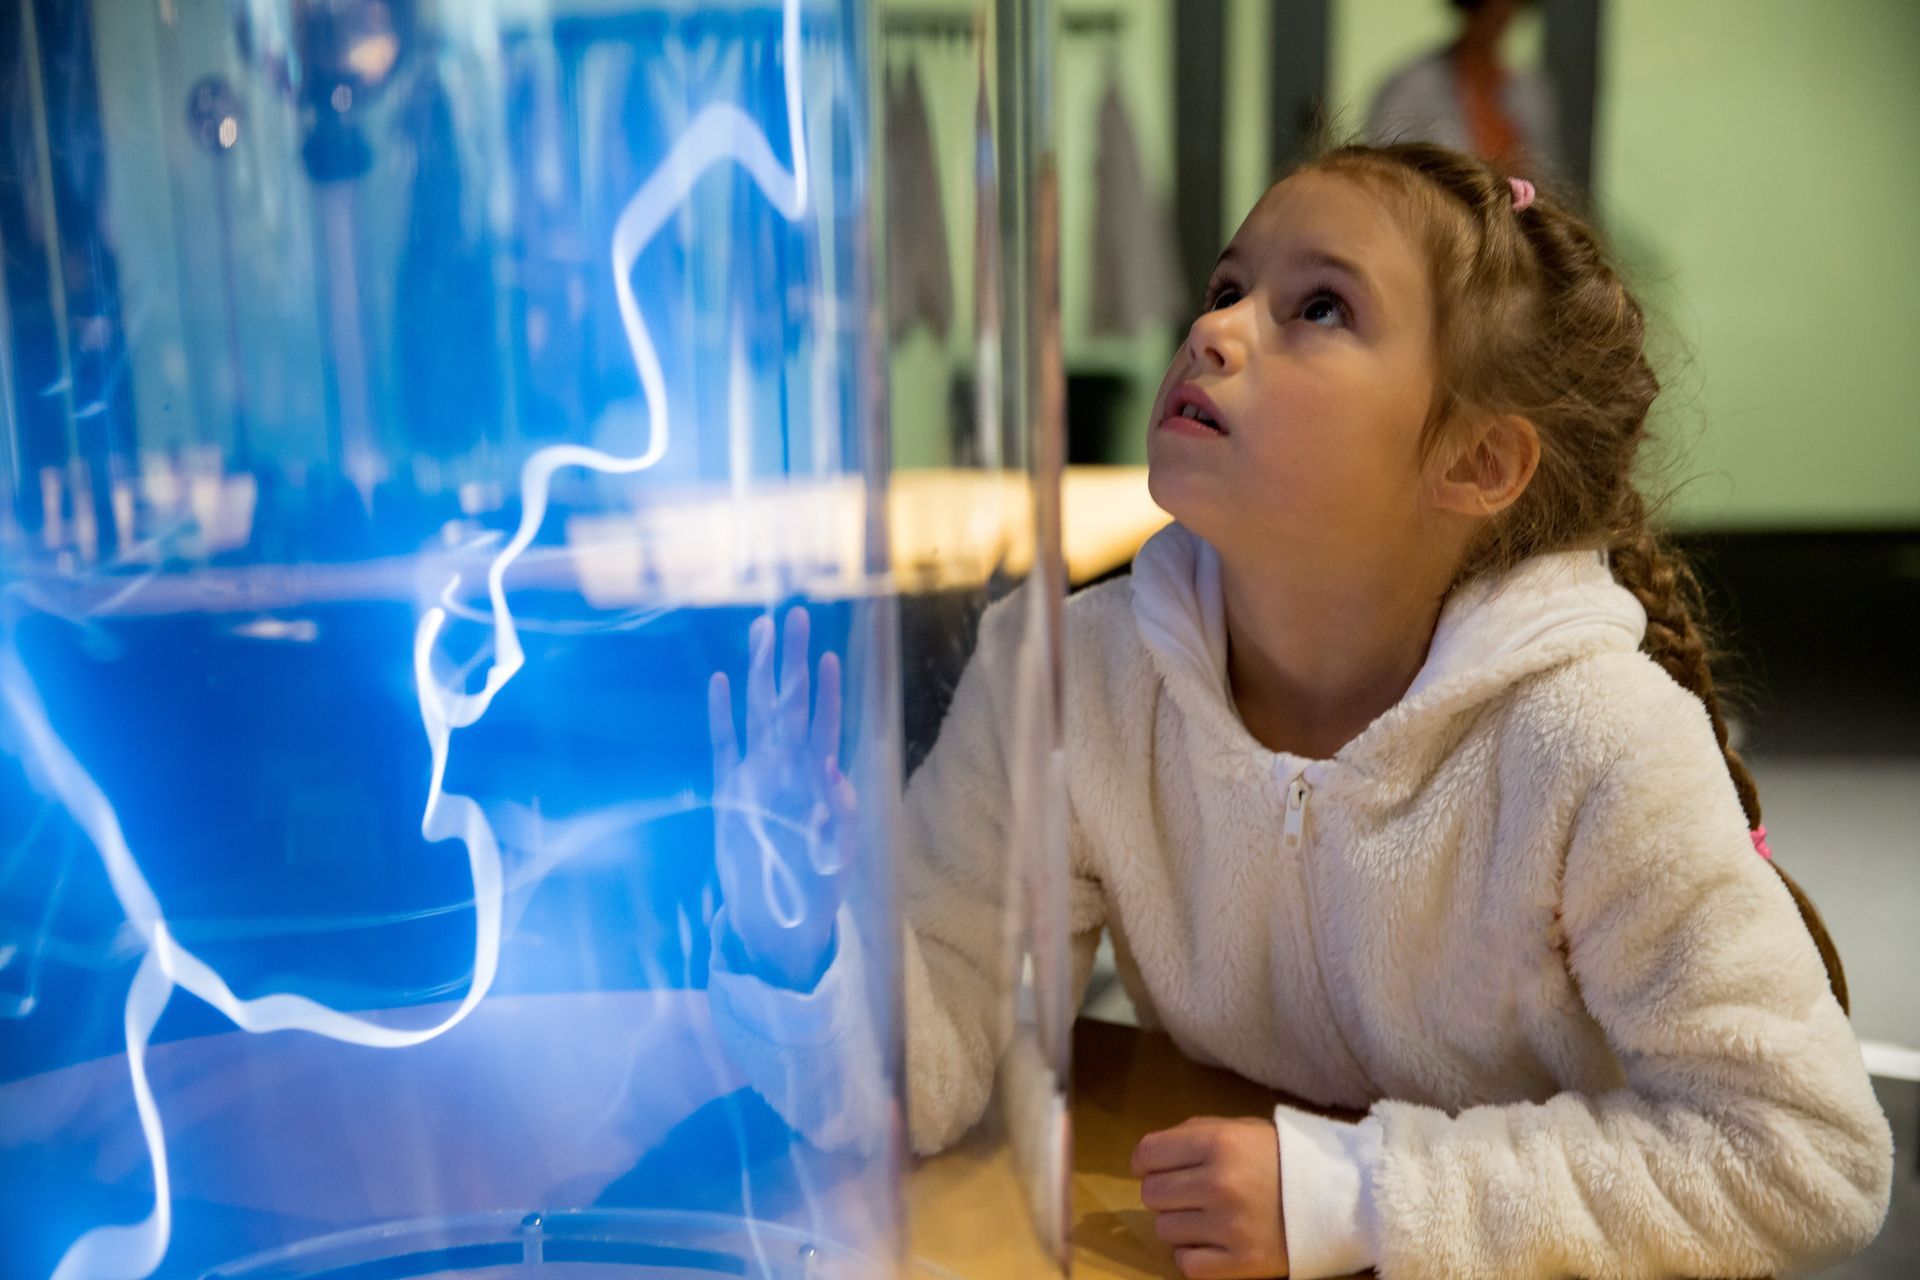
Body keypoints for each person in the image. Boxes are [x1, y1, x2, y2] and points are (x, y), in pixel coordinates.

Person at [702, 142, 1893, 1279]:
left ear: (1478, 463)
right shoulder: (1064, 673)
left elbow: (1809, 1152)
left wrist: (1362, 1194)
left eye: (1319, 308)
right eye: (1227, 285)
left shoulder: (1595, 740)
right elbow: (936, 1060)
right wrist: (808, 947)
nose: (1213, 329)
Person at [1366, 0, 1561, 180]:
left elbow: (1546, 181)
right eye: (1490, 5)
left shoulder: (1530, 92)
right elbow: (1387, 172)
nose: (1500, 13)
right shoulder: (1411, 88)